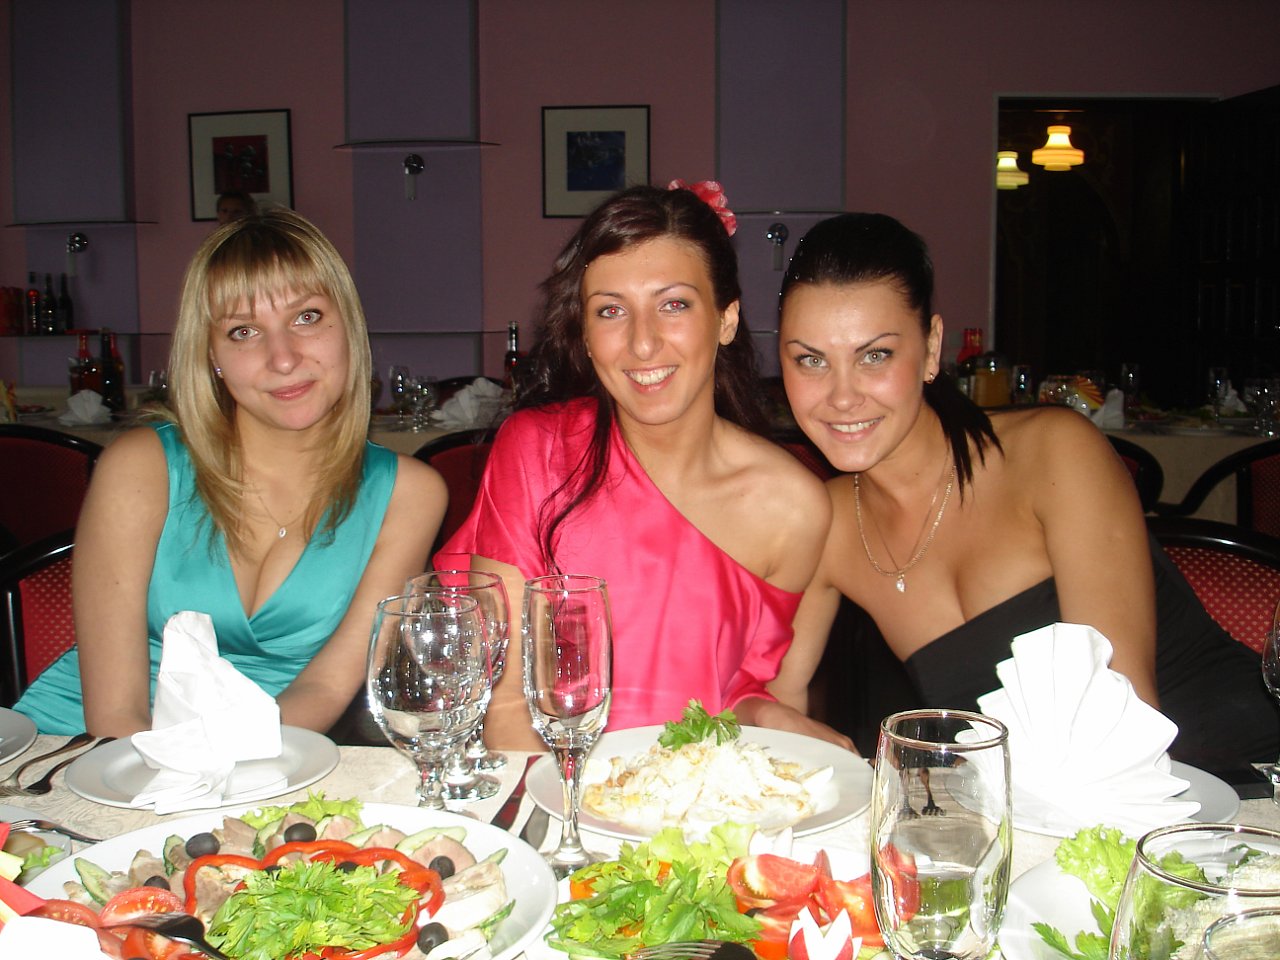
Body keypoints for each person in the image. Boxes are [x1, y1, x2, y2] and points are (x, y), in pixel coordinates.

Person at [776, 211, 1279, 772]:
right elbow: (773, 699)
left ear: (932, 346)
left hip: (1244, 783)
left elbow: (1121, 718)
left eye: (875, 355)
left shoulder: (1053, 452)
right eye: (810, 360)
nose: (842, 396)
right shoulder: (824, 521)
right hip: (1041, 806)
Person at [438, 182, 848, 751]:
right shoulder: (537, 452)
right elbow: (506, 705)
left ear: (726, 319)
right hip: (553, 788)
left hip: (702, 793)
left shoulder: (794, 506)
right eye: (611, 311)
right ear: (585, 335)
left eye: (673, 304)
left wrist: (773, 718)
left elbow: (757, 694)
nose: (643, 343)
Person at [14, 209, 445, 737]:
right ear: (212, 356)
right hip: (82, 749)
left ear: (348, 329)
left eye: (307, 317)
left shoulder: (408, 494)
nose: (283, 358)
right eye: (243, 331)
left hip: (272, 750)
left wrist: (234, 769)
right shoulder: (141, 466)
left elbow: (326, 689)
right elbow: (115, 713)